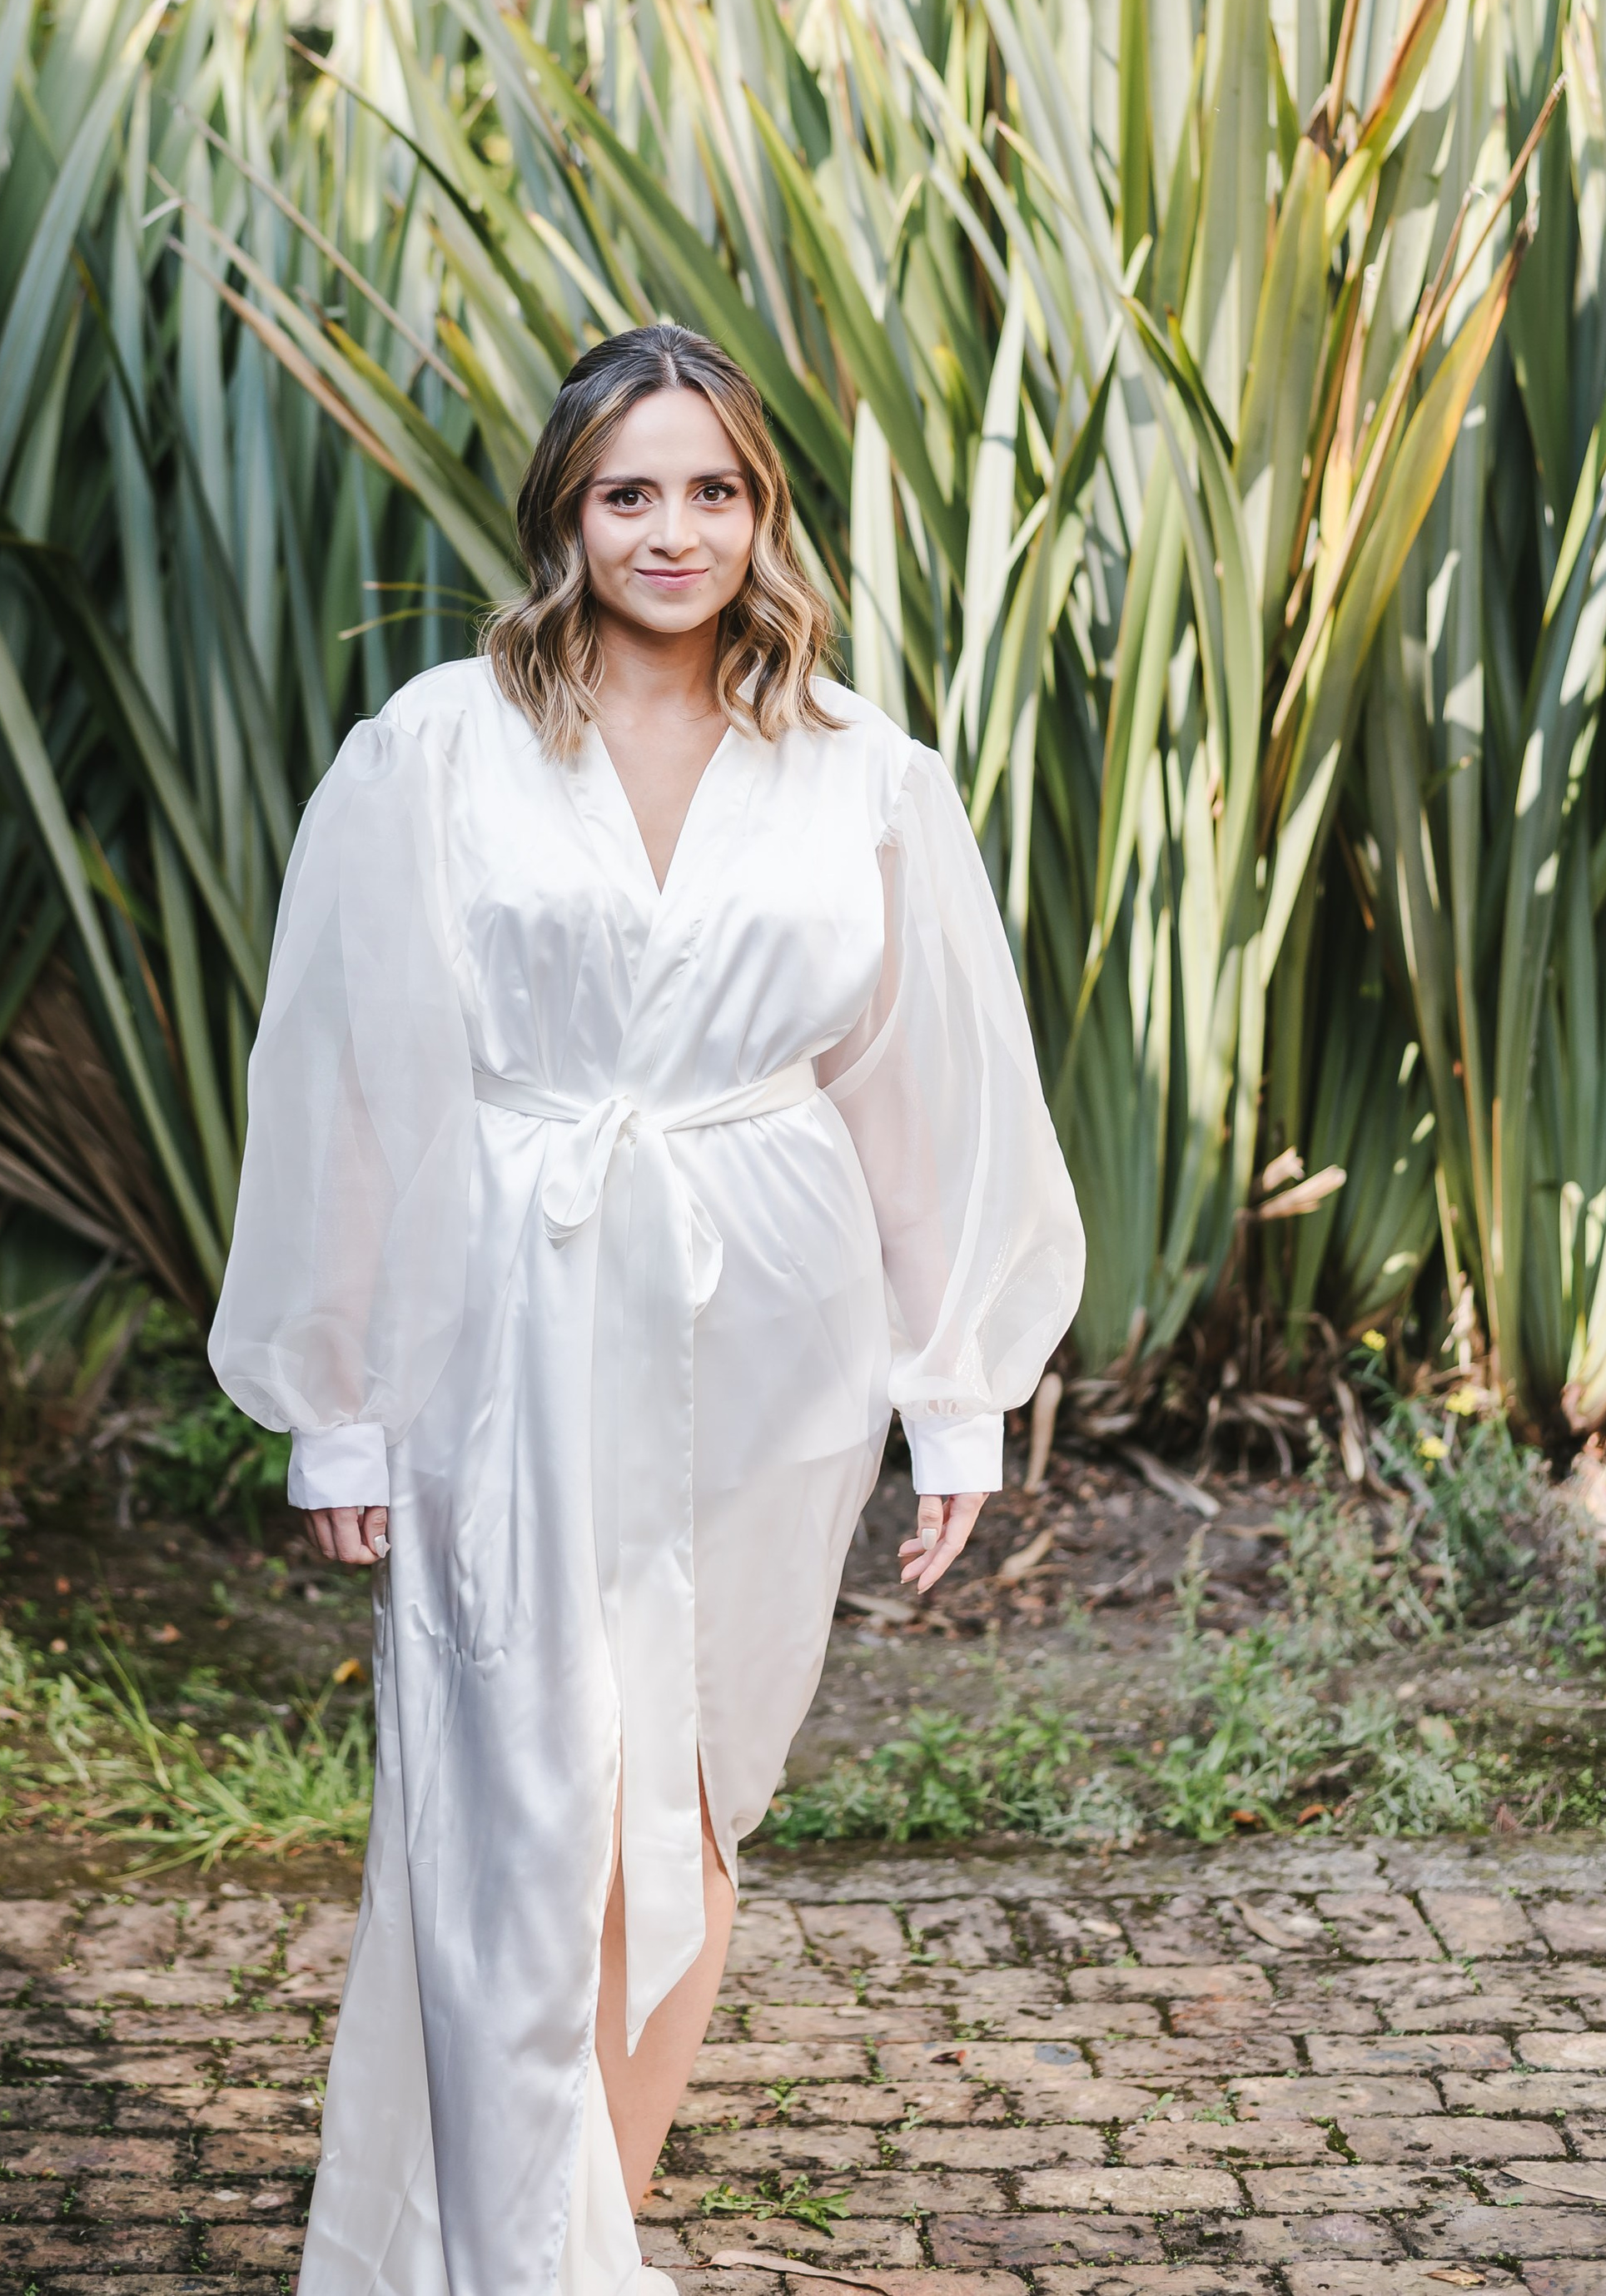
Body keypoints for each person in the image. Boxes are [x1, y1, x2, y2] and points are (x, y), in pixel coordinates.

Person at [209, 322, 1085, 2296]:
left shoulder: (863, 768)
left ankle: (570, 2231)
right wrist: (333, 1398)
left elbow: (923, 1093)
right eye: (628, 491)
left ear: (759, 510)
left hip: (775, 1330)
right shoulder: (435, 748)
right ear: (564, 515)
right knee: (524, 1799)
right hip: (500, 1316)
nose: (670, 529)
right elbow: (349, 1076)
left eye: (710, 488)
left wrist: (951, 1398)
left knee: (686, 1796)